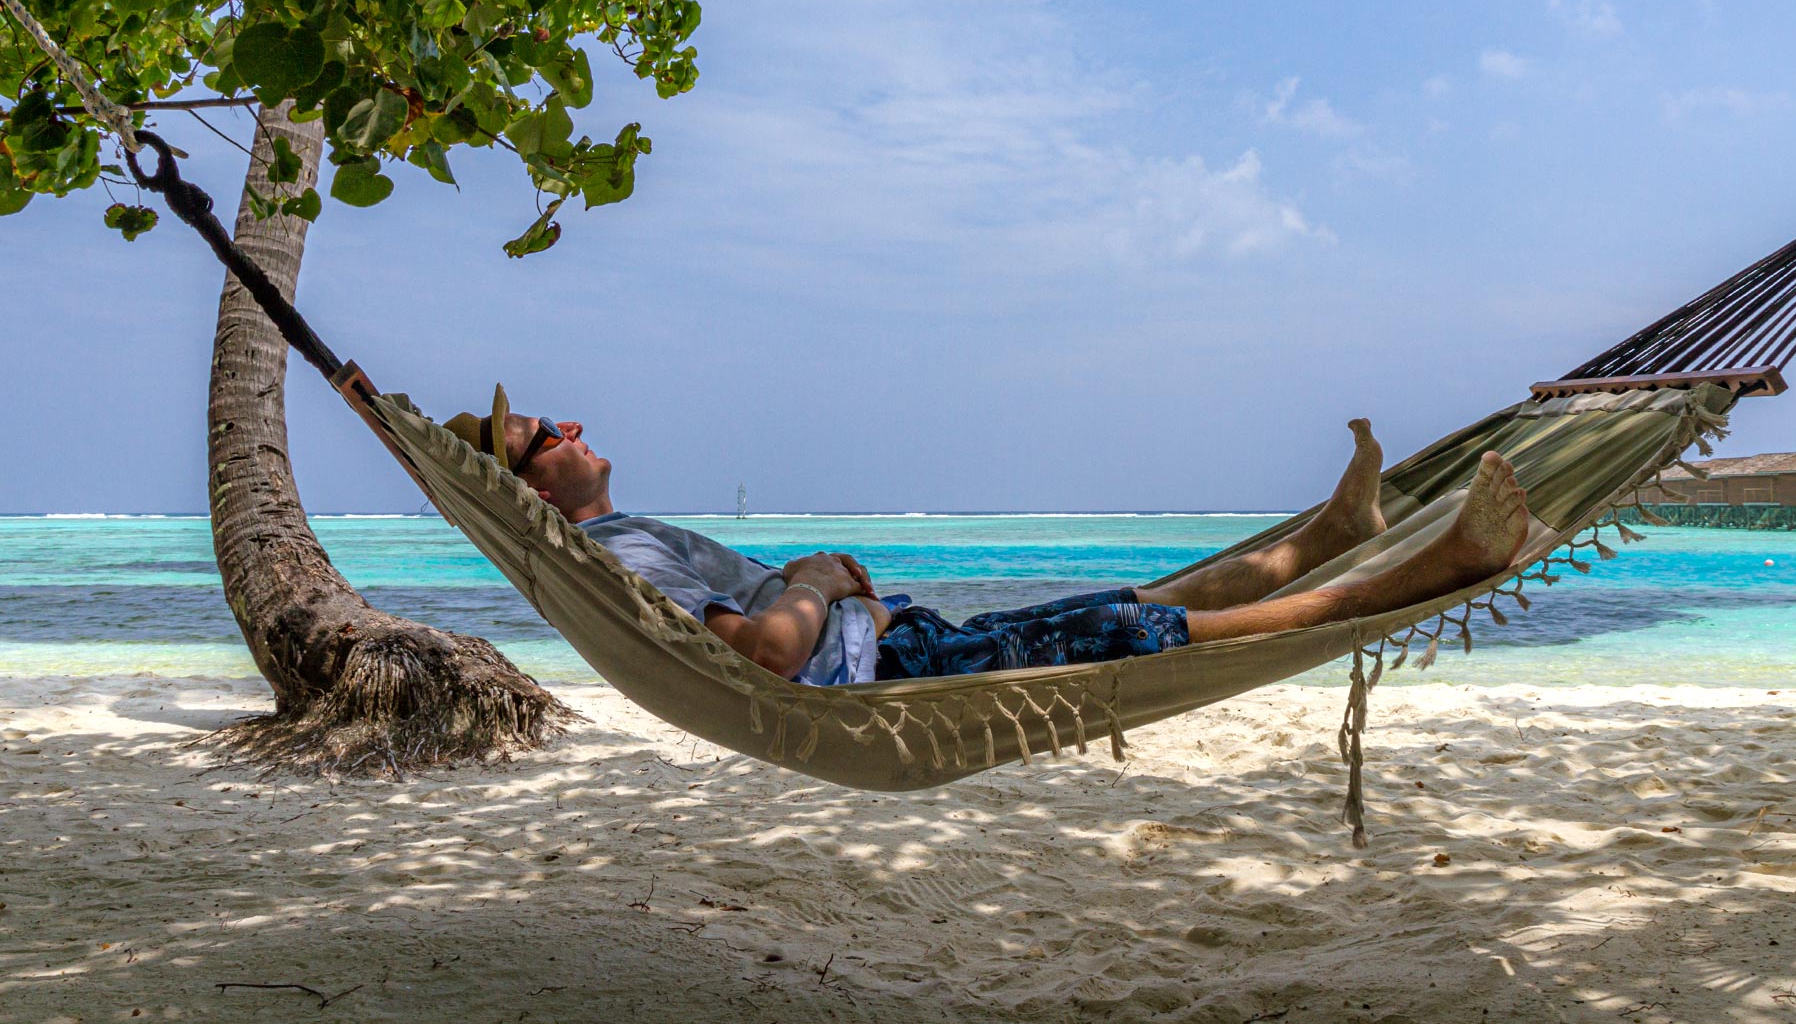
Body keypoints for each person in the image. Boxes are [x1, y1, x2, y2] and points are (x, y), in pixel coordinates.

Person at [444, 386, 1530, 686]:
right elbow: (765, 655)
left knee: (1142, 606)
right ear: (535, 482)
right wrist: (820, 578)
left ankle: (1338, 531)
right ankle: (1432, 567)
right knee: (1123, 629)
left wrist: (830, 592)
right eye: (547, 433)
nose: (573, 426)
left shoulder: (624, 536)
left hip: (899, 641)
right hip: (884, 668)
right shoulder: (619, 554)